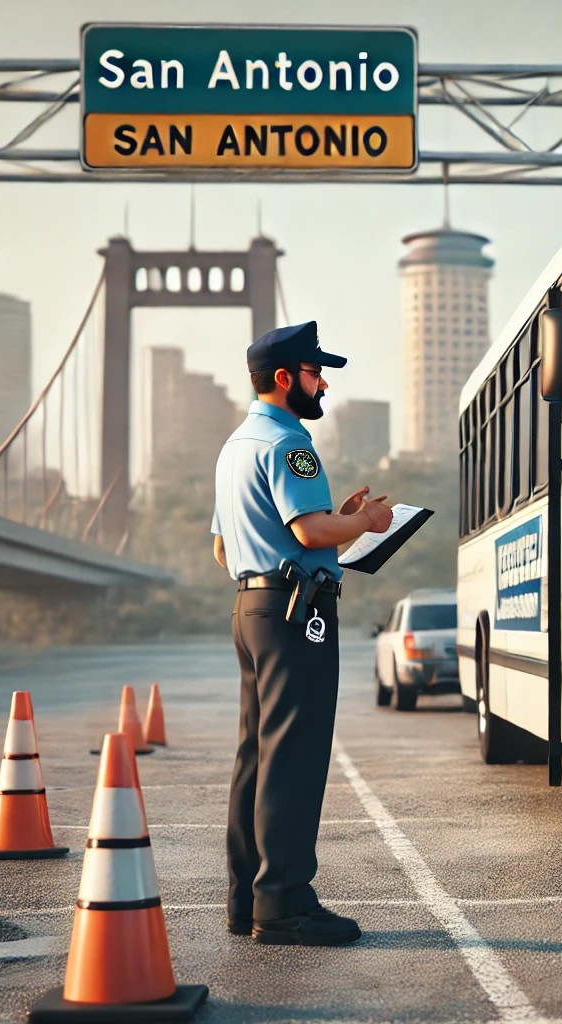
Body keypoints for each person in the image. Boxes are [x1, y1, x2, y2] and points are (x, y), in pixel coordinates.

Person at [210, 320, 394, 947]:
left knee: (256, 758)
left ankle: (247, 899)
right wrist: (365, 521)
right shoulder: (290, 443)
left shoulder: (234, 447)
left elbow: (221, 547)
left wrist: (335, 521)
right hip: (297, 614)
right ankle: (284, 902)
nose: (324, 387)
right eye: (317, 374)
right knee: (295, 756)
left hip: (251, 609)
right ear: (285, 378)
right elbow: (309, 534)